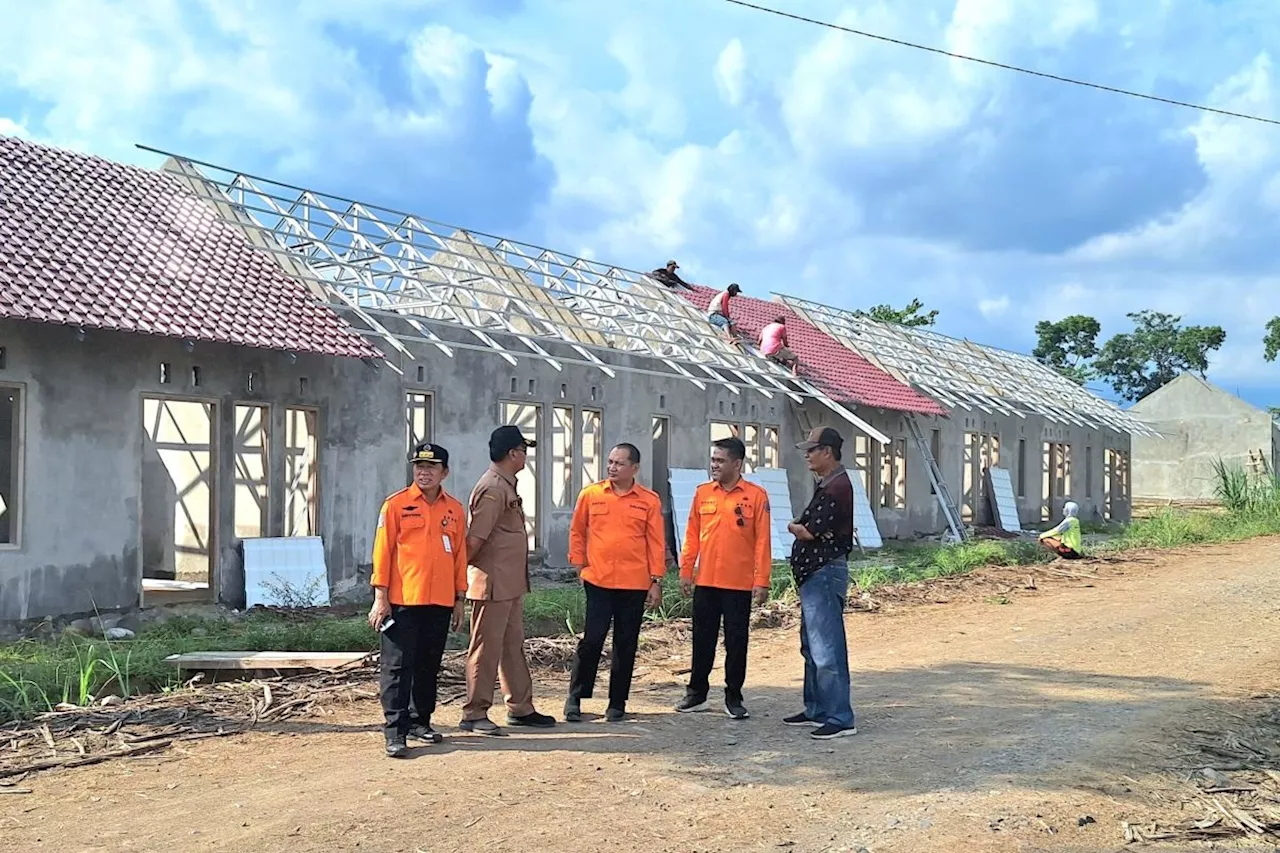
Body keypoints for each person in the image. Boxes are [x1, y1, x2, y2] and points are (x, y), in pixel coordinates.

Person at [369, 442, 469, 758]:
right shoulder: (396, 505)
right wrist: (380, 598)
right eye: (419, 467)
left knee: (428, 665)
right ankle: (395, 732)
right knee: (398, 668)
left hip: (439, 601)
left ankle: (419, 721)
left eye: (431, 467)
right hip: (403, 601)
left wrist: (458, 598)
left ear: (445, 472)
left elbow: (459, 556)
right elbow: (382, 553)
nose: (424, 473)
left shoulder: (453, 509)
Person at [460, 425, 557, 735]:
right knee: (486, 648)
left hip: (508, 583)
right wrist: (455, 579)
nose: (525, 455)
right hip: (491, 585)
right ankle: (475, 712)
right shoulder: (492, 488)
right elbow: (474, 541)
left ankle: (520, 707)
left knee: (511, 645)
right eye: (523, 450)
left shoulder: (505, 484)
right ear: (513, 454)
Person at [564, 443, 666, 723]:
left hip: (634, 583)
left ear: (634, 468)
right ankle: (576, 697)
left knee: (625, 642)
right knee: (592, 639)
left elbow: (656, 542)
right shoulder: (592, 494)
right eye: (610, 462)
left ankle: (617, 701)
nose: (612, 467)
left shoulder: (648, 500)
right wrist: (578, 563)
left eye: (619, 463)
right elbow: (577, 530)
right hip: (598, 579)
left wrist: (655, 580)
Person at [676, 436, 772, 719]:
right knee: (702, 640)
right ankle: (696, 694)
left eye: (720, 460)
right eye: (713, 459)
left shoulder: (756, 496)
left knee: (736, 642)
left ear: (737, 463)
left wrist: (761, 580)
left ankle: (733, 696)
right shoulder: (703, 493)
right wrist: (686, 570)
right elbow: (692, 535)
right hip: (706, 581)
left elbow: (762, 542)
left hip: (738, 583)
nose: (714, 465)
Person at [784, 427, 858, 741]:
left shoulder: (837, 487)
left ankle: (840, 716)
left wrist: (794, 527)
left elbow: (808, 530)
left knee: (826, 646)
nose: (807, 455)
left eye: (812, 450)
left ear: (827, 451)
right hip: (813, 574)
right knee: (811, 645)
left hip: (824, 573)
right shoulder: (826, 484)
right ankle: (816, 707)